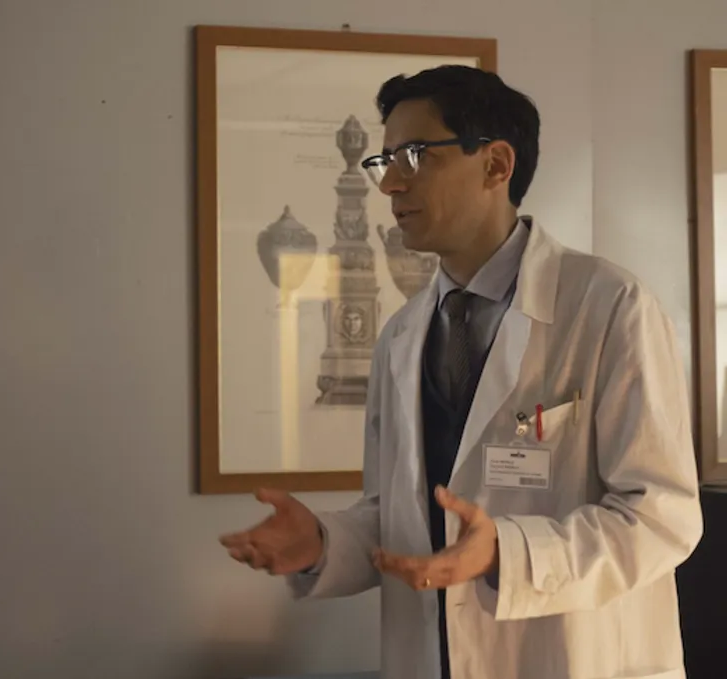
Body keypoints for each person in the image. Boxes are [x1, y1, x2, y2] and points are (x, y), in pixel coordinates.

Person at [219, 65, 703, 679]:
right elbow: (399, 515)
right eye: (385, 160)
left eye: (415, 156)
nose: (390, 183)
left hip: (572, 657)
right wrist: (323, 541)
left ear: (496, 165)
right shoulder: (400, 337)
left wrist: (506, 553)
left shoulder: (610, 307)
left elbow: (661, 517)